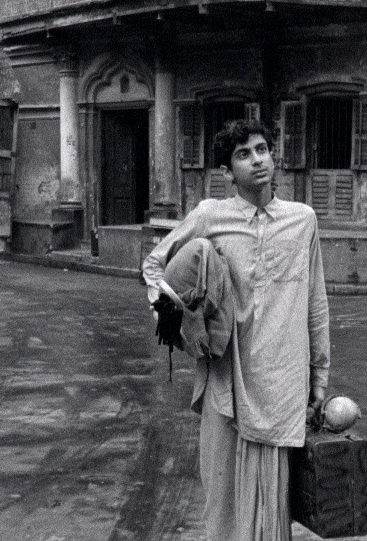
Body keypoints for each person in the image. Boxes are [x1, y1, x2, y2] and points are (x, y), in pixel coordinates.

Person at [142, 119, 330, 540]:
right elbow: (155, 265)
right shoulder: (211, 215)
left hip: (281, 380)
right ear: (228, 172)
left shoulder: (303, 220)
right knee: (223, 500)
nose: (257, 160)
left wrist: (319, 376)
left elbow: (316, 302)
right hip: (226, 377)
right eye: (243, 155)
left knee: (271, 507)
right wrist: (178, 322)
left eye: (262, 149)